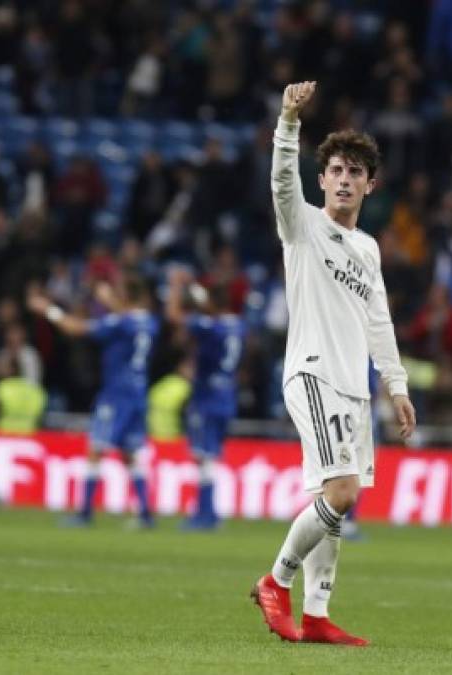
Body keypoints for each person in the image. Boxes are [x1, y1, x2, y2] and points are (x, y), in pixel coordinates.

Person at [250, 81, 416, 646]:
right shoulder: (302, 226)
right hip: (313, 371)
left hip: (352, 385)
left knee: (337, 500)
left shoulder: (368, 249)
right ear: (321, 180)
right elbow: (279, 182)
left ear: (371, 184)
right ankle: (276, 582)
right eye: (336, 171)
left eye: (355, 173)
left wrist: (397, 385)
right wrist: (289, 123)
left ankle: (317, 616)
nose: (344, 180)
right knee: (341, 491)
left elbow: (378, 323)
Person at [27, 275, 159, 527]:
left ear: (124, 296)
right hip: (138, 392)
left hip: (117, 393)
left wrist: (49, 310)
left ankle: (84, 512)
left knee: (95, 448)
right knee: (130, 452)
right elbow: (128, 317)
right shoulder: (149, 322)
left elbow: (75, 328)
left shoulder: (120, 322)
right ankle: (145, 514)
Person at [166, 270, 245, 530]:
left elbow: (174, 316)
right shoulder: (237, 324)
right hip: (226, 394)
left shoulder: (211, 326)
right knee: (210, 454)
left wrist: (176, 285)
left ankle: (206, 514)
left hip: (207, 396)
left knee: (203, 455)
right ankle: (207, 513)